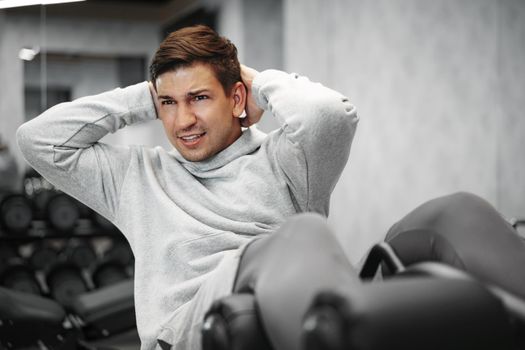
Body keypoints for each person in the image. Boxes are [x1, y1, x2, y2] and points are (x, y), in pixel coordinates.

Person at [16, 25, 359, 349]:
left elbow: (328, 116)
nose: (182, 122)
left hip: (272, 321)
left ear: (236, 98)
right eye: (168, 103)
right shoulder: (136, 176)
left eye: (198, 98)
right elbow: (37, 140)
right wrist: (145, 98)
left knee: (315, 238)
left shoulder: (287, 161)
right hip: (186, 338)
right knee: (303, 239)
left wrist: (256, 83)